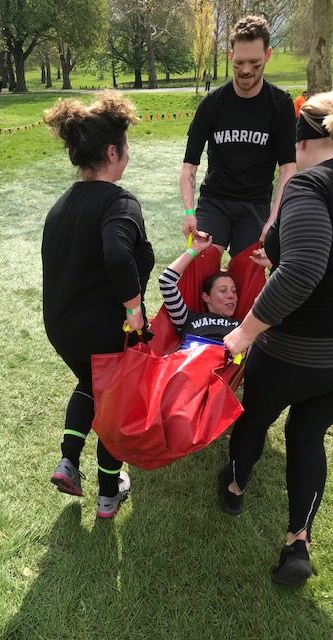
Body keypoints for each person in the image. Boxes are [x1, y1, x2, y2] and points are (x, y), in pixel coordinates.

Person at [219, 91, 333, 587]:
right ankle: (297, 541)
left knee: (255, 419)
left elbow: (307, 267)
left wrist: (243, 333)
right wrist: (280, 262)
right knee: (308, 437)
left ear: (300, 138)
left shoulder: (309, 185)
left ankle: (235, 485)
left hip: (289, 351)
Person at [42, 92, 155, 519]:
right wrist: (133, 309)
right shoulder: (119, 202)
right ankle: (109, 494)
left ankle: (69, 459)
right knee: (114, 399)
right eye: (126, 146)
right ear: (112, 152)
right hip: (103, 328)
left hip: (61, 328)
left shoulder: (60, 206)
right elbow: (114, 254)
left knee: (91, 384)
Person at [180, 15, 296, 258]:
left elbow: (288, 169)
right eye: (239, 62)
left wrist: (274, 220)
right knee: (201, 266)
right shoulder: (211, 104)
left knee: (249, 276)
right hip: (215, 201)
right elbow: (189, 166)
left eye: (254, 63)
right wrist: (190, 213)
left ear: (268, 55)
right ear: (231, 57)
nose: (245, 70)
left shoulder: (281, 104)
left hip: (256, 205)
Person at [159, 231, 239, 343]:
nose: (231, 296)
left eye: (234, 291)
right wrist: (195, 248)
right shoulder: (186, 319)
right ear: (206, 297)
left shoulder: (242, 327)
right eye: (223, 290)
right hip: (191, 358)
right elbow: (166, 281)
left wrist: (271, 266)